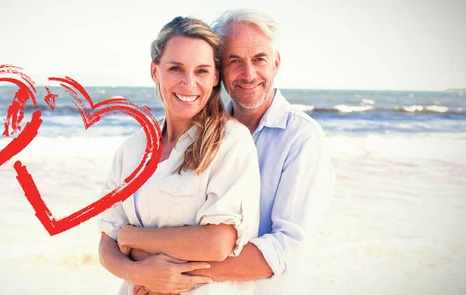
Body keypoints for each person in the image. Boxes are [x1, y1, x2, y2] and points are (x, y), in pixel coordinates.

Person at [127, 9, 336, 295]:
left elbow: (284, 249)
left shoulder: (302, 138)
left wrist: (168, 275)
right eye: (234, 61)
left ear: (276, 63)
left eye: (259, 59)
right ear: (218, 69)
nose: (248, 74)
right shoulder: (200, 134)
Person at [97, 16, 262, 295]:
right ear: (155, 71)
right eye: (176, 68)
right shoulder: (132, 150)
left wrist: (132, 237)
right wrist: (137, 272)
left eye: (201, 71)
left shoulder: (231, 142)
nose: (188, 83)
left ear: (214, 78)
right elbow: (106, 244)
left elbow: (217, 243)